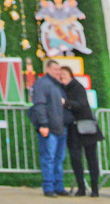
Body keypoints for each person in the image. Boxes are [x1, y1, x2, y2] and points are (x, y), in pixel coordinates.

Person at [59, 64, 102, 198]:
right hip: (73, 128)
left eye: (65, 74)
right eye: (61, 75)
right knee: (76, 159)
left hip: (86, 127)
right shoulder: (61, 89)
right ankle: (81, 188)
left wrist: (66, 103)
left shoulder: (78, 87)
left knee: (91, 159)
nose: (62, 77)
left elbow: (81, 104)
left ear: (70, 75)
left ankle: (94, 189)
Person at [31, 59, 71, 198]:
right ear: (47, 69)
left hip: (60, 127)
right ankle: (49, 187)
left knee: (59, 159)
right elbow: (39, 105)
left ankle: (58, 186)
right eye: (55, 70)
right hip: (50, 128)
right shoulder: (42, 84)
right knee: (49, 158)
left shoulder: (58, 85)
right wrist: (43, 124)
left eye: (59, 70)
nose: (58, 72)